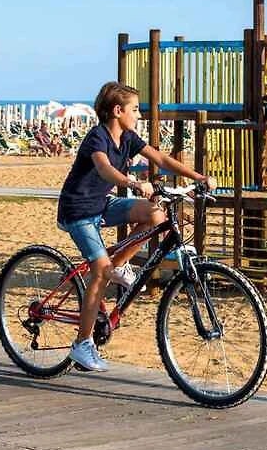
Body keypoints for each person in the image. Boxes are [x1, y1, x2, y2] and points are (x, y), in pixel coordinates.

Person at [57, 82, 211, 372]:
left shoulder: (127, 137)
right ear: (118, 111)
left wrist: (198, 177)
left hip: (101, 204)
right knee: (100, 272)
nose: (139, 115)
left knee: (156, 214)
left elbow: (161, 158)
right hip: (77, 211)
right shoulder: (97, 138)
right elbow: (104, 168)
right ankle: (82, 345)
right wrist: (133, 183)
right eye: (136, 109)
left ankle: (119, 265)